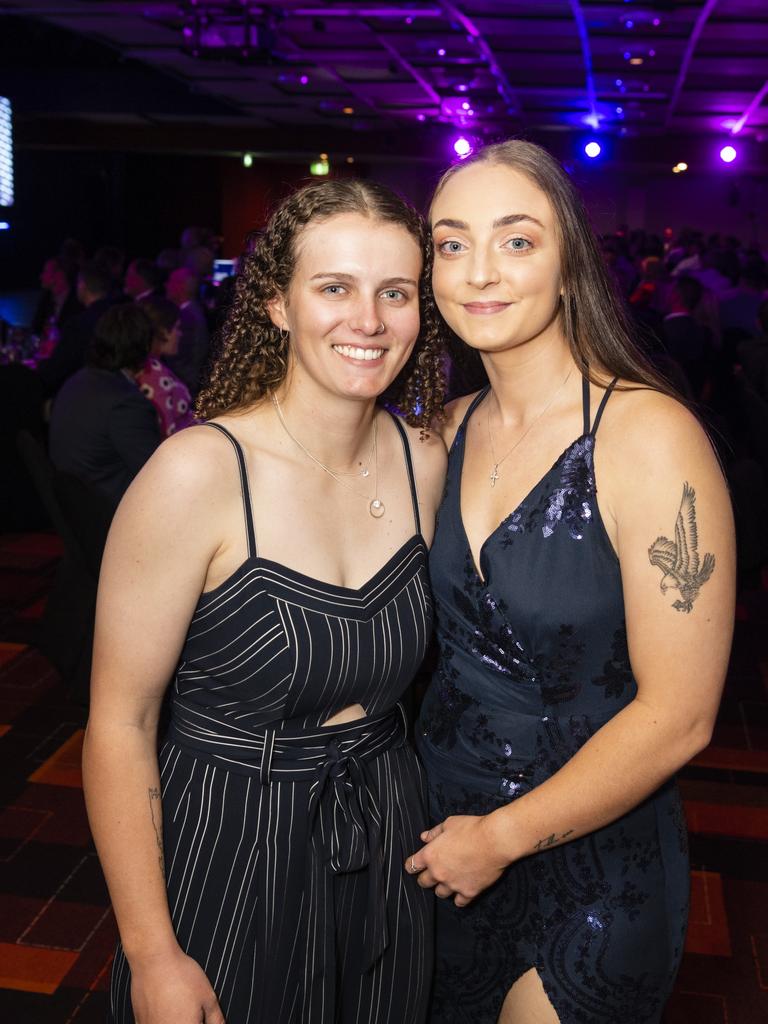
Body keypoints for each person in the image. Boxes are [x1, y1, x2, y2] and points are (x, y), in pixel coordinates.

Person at [82, 178, 447, 1024]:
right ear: (277, 304)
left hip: (386, 829)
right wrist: (151, 954)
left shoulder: (423, 456)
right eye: (334, 288)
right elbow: (118, 725)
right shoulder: (196, 475)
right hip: (232, 839)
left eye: (395, 292)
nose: (368, 319)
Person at [406, 140, 735, 1024]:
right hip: (440, 844)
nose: (479, 271)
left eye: (516, 241)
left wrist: (501, 840)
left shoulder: (646, 435)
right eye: (450, 243)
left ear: (569, 264)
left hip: (592, 858)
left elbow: (682, 714)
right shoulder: (443, 429)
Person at [49, 303, 161, 506]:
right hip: (110, 514)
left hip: (77, 509)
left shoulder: (77, 381)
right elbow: (158, 475)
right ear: (145, 347)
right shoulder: (126, 403)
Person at [37, 261, 115, 398]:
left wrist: (35, 366)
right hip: (115, 392)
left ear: (82, 285)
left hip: (83, 396)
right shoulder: (120, 317)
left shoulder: (79, 324)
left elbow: (56, 371)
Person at [136, 296, 197, 436]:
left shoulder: (150, 367)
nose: (180, 334)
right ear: (163, 331)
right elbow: (167, 433)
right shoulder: (152, 374)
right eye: (177, 328)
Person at [164, 266, 210, 396]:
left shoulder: (187, 317)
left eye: (170, 282)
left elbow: (184, 360)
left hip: (185, 385)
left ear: (180, 287)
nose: (166, 285)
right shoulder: (191, 311)